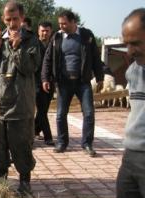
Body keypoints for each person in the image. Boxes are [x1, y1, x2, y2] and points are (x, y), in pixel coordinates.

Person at [104, 8, 145, 198]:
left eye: (136, 43)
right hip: (131, 155)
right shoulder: (133, 71)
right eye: (127, 43)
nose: (130, 50)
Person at [0, 1, 40, 195]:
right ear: (3, 19)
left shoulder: (31, 40)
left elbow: (30, 68)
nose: (12, 24)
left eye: (15, 19)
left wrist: (17, 47)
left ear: (22, 18)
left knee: (21, 146)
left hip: (20, 105)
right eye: (8, 19)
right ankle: (0, 183)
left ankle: (24, 183)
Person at [42, 10, 103, 157]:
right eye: (60, 24)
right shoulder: (56, 37)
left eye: (64, 23)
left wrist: (100, 77)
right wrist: (45, 78)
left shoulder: (86, 36)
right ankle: (62, 143)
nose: (61, 26)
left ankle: (87, 144)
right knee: (60, 115)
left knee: (89, 114)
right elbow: (47, 59)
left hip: (83, 82)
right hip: (63, 83)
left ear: (73, 22)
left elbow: (95, 57)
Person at [34, 21, 55, 146]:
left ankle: (34, 130)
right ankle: (48, 137)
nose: (45, 33)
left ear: (51, 31)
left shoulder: (54, 45)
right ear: (38, 31)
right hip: (36, 82)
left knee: (44, 110)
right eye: (42, 30)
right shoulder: (34, 45)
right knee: (42, 110)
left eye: (47, 31)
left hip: (50, 83)